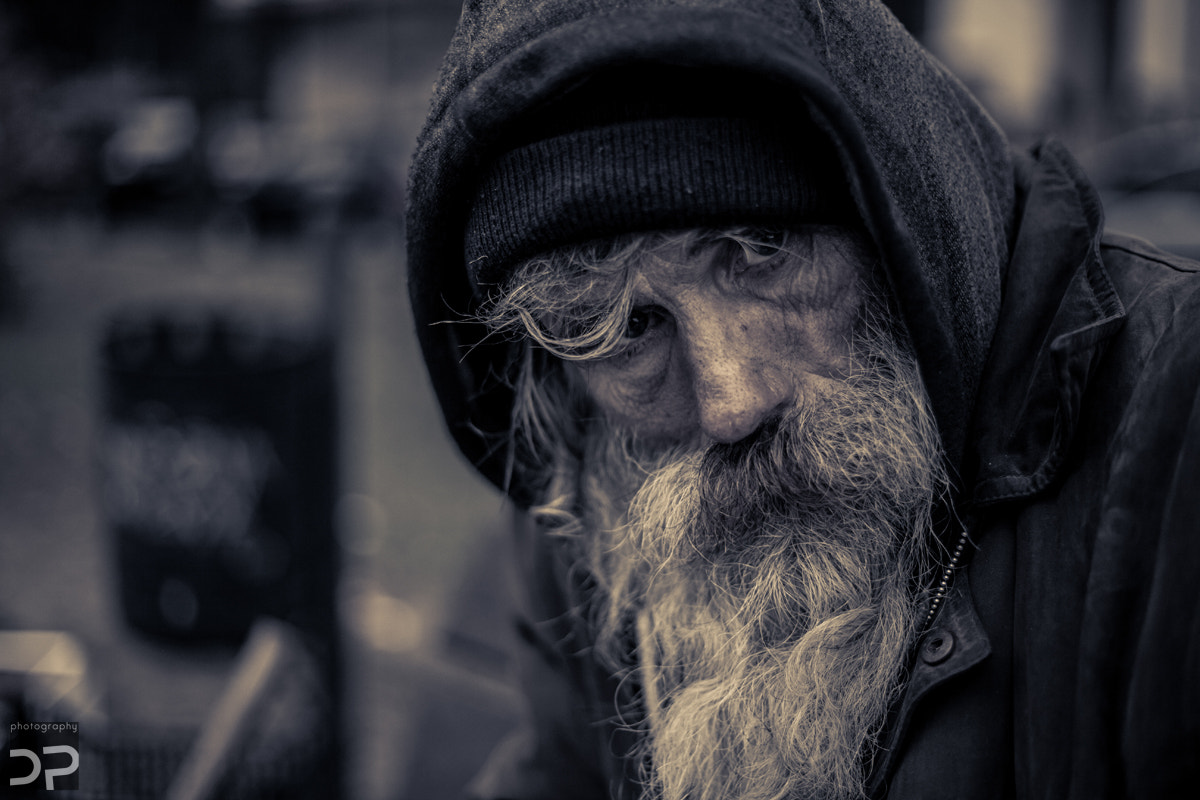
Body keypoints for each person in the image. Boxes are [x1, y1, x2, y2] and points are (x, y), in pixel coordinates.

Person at [405, 0, 1200, 797]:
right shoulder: (601, 511)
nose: (732, 404)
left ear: (901, 227)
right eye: (628, 331)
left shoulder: (1172, 425)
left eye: (763, 254)